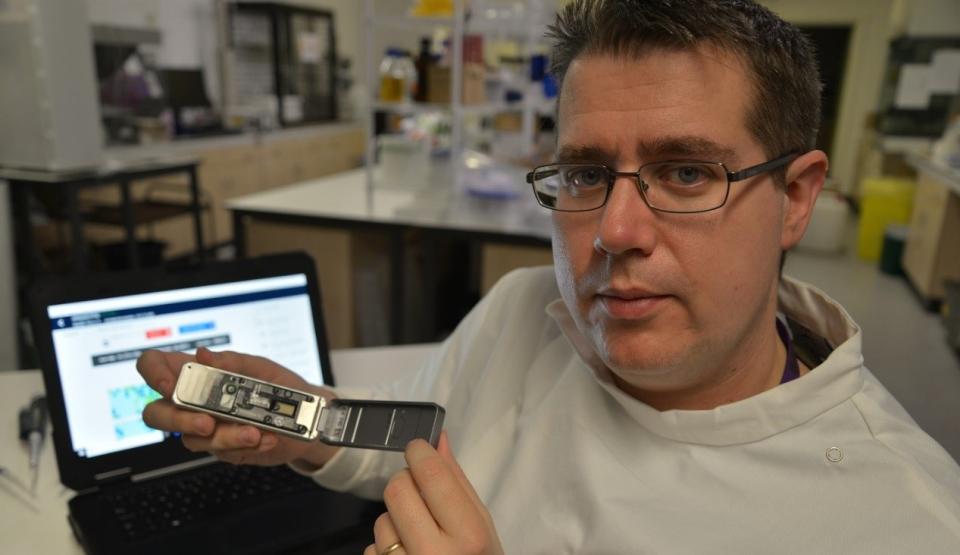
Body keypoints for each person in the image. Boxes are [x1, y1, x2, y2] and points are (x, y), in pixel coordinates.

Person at [138, 0, 960, 552]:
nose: (613, 230)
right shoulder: (521, 308)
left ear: (795, 197)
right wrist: (306, 422)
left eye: (684, 174)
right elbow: (410, 449)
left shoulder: (908, 521)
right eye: (584, 174)